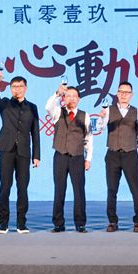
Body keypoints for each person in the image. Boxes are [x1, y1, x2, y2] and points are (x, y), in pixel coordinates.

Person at [0, 74, 40, 234]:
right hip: (6, 149)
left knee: (22, 188)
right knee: (5, 186)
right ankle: (3, 223)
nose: (17, 89)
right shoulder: (5, 104)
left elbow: (35, 132)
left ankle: (21, 223)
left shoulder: (32, 107)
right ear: (10, 88)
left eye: (20, 87)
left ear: (25, 88)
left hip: (24, 152)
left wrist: (36, 155)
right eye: (14, 87)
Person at [99, 82, 138, 233]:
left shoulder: (137, 112)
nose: (124, 94)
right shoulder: (108, 110)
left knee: (135, 189)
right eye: (121, 92)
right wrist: (102, 118)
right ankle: (112, 221)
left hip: (130, 154)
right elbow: (99, 128)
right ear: (117, 94)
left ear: (131, 95)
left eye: (127, 92)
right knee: (112, 189)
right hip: (112, 154)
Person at [45, 84, 93, 233]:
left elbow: (88, 138)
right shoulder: (57, 112)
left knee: (79, 191)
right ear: (64, 98)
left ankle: (80, 223)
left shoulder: (85, 116)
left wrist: (88, 158)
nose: (71, 98)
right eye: (68, 96)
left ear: (79, 99)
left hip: (77, 157)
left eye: (74, 96)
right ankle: (58, 224)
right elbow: (48, 107)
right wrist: (57, 94)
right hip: (60, 155)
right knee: (59, 190)